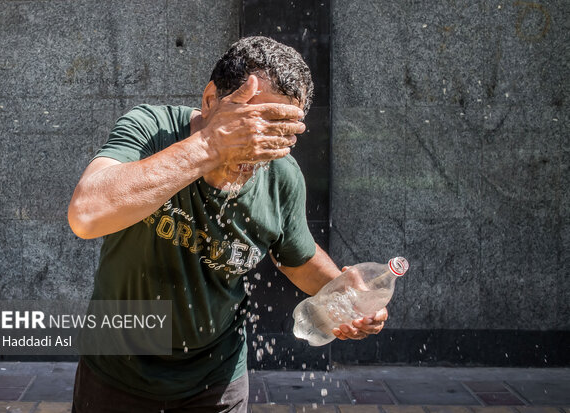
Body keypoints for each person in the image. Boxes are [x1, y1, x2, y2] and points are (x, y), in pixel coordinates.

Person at [67, 36, 388, 413]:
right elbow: (86, 214)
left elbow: (296, 257)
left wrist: (342, 292)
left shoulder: (282, 177)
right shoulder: (151, 129)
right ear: (210, 100)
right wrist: (209, 146)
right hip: (115, 371)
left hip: (216, 380)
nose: (257, 148)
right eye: (250, 124)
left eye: (279, 133)